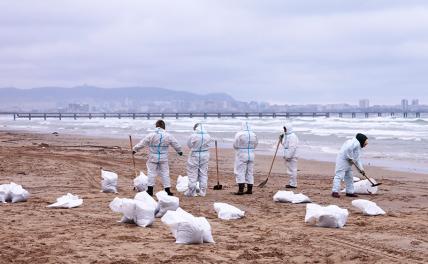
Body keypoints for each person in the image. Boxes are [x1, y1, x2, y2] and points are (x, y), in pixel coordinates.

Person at [133, 120, 183, 196]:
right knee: (165, 173)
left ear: (156, 126)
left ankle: (150, 190)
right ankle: (167, 191)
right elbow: (175, 143)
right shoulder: (168, 135)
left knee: (151, 173)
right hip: (163, 157)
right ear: (164, 126)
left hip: (153, 157)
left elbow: (142, 143)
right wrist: (179, 151)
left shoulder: (151, 135)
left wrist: (135, 149)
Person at [331, 133, 368, 198]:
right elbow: (348, 149)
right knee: (339, 176)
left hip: (349, 163)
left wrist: (361, 170)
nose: (365, 145)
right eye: (365, 143)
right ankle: (335, 191)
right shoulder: (352, 143)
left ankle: (349, 192)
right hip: (342, 161)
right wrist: (350, 157)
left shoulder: (358, 147)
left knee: (349, 177)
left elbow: (357, 160)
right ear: (361, 140)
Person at [184, 123, 214, 197]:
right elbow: (210, 144)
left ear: (196, 128)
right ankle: (202, 191)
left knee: (192, 172)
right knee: (203, 173)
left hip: (195, 154)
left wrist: (195, 147)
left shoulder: (193, 135)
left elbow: (189, 145)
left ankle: (192, 191)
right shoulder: (208, 136)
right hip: (205, 155)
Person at [233, 121, 258, 195]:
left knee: (240, 171)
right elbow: (256, 144)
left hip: (242, 154)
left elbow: (235, 145)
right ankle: (249, 189)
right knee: (250, 172)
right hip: (251, 154)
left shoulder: (239, 134)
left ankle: (241, 190)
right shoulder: (254, 134)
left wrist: (240, 148)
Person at [279, 123, 299, 188]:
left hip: (292, 156)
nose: (284, 130)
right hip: (287, 156)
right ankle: (291, 183)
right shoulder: (287, 135)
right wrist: (281, 139)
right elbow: (285, 145)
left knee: (293, 170)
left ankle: (293, 184)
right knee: (290, 170)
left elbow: (292, 148)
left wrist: (288, 156)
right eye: (284, 129)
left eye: (285, 129)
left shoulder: (293, 136)